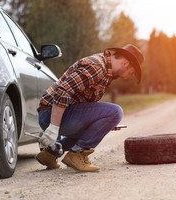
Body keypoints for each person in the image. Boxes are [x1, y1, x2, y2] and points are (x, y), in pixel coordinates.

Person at [35, 44, 144, 172]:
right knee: (116, 111)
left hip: (58, 113)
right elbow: (62, 92)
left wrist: (102, 122)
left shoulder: (104, 70)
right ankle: (78, 154)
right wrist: (53, 127)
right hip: (51, 114)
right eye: (129, 72)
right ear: (125, 63)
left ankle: (50, 154)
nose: (125, 76)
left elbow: (85, 105)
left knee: (108, 116)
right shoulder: (97, 67)